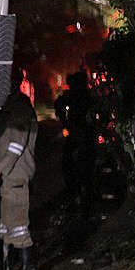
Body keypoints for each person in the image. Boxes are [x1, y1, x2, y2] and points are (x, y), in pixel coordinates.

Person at [0, 92, 38, 270]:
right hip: (11, 178)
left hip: (16, 176)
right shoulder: (13, 109)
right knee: (8, 225)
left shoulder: (19, 110)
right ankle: (8, 268)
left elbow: (17, 144)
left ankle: (27, 269)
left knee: (18, 225)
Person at [53, 71, 98, 214]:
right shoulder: (85, 95)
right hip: (82, 136)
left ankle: (81, 202)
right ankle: (81, 202)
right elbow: (59, 104)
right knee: (80, 169)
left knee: (77, 169)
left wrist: (65, 121)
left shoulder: (82, 96)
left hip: (83, 136)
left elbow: (59, 104)